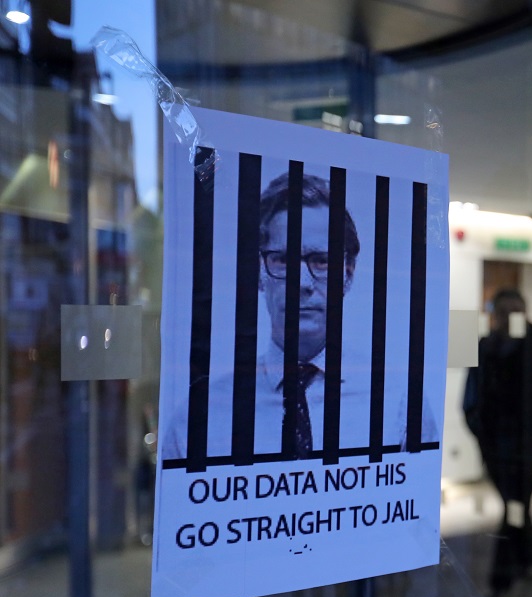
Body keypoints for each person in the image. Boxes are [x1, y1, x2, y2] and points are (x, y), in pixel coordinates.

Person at [162, 171, 436, 461]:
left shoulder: (400, 404)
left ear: (348, 274)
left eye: (322, 261)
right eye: (283, 260)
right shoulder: (201, 416)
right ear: (257, 272)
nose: (302, 283)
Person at [463, 289, 532, 597]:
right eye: (503, 311)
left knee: (514, 504)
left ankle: (502, 579)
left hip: (525, 444)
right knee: (517, 502)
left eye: (515, 311)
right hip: (496, 445)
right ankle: (528, 557)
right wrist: (482, 434)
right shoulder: (484, 347)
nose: (509, 318)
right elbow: (471, 398)